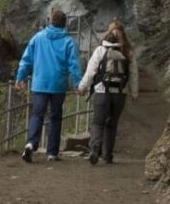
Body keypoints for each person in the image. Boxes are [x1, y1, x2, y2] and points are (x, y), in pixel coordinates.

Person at [16, 9, 82, 162]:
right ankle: (52, 152)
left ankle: (31, 143)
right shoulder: (69, 42)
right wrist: (78, 84)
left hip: (39, 83)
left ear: (51, 21)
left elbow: (26, 60)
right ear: (64, 24)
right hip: (58, 85)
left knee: (37, 115)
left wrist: (21, 77)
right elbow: (74, 65)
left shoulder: (37, 38)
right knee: (55, 117)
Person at [77, 20, 139, 165]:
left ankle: (94, 149)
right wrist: (134, 93)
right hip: (120, 93)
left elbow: (91, 71)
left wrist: (82, 87)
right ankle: (107, 155)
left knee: (98, 122)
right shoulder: (128, 52)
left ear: (108, 33)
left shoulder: (100, 50)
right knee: (112, 123)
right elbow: (134, 74)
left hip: (101, 91)